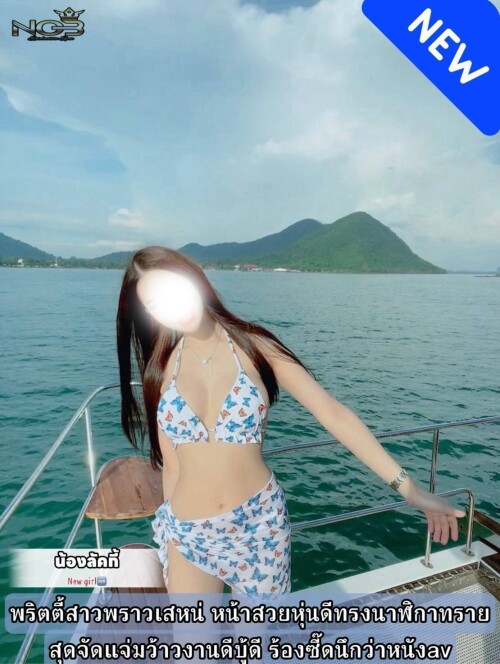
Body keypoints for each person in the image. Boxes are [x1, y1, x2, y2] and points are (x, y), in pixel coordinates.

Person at [116, 245, 466, 597]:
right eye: (156, 305)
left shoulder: (255, 347)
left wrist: (410, 489)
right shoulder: (160, 370)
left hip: (260, 528)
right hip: (189, 533)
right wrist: (170, 537)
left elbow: (333, 414)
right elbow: (173, 465)